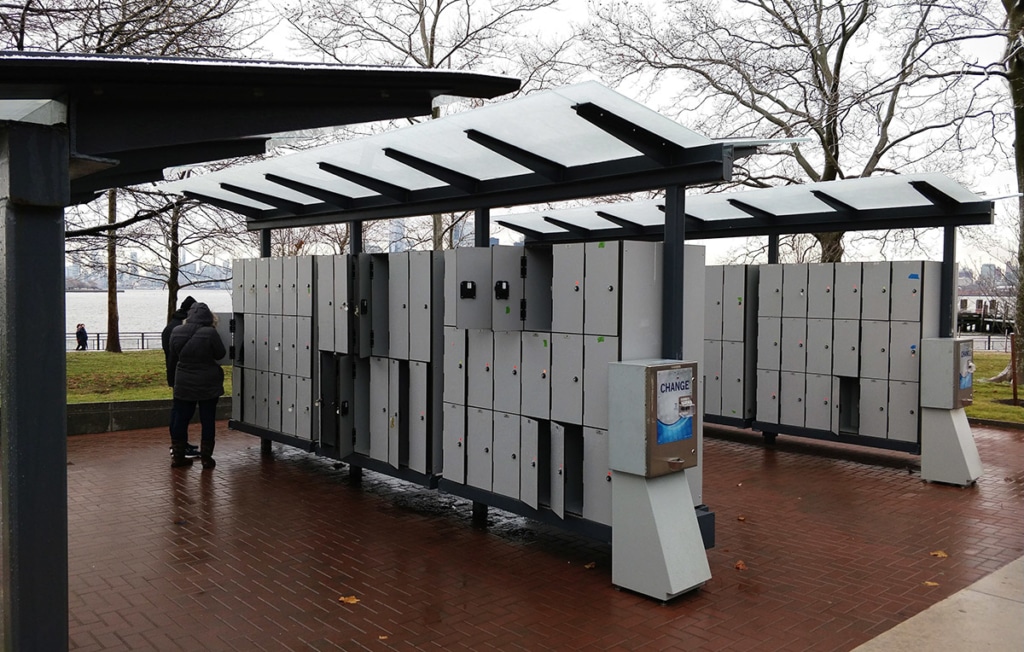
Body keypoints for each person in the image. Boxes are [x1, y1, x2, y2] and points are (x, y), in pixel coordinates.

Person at [167, 302, 226, 468]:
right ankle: (207, 457)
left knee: (181, 418)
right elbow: (220, 353)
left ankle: (178, 456)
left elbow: (173, 356)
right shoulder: (210, 333)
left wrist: (172, 380)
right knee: (208, 419)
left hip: (183, 382)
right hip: (207, 383)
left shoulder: (176, 331)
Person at [163, 296, 199, 458]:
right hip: (183, 376)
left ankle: (179, 444)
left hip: (174, 375)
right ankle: (179, 447)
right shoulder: (181, 328)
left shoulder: (170, 326)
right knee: (182, 412)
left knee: (178, 411)